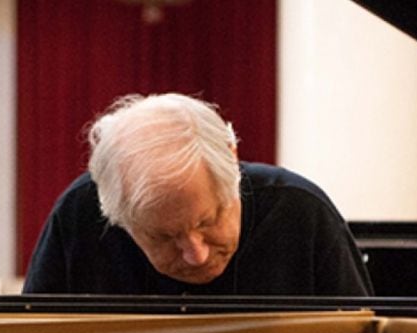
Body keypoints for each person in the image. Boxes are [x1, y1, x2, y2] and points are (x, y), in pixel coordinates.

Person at [22, 93, 373, 296]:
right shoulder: (80, 213)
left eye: (208, 221)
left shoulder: (301, 212)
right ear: (116, 218)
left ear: (233, 167)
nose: (197, 255)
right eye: (163, 236)